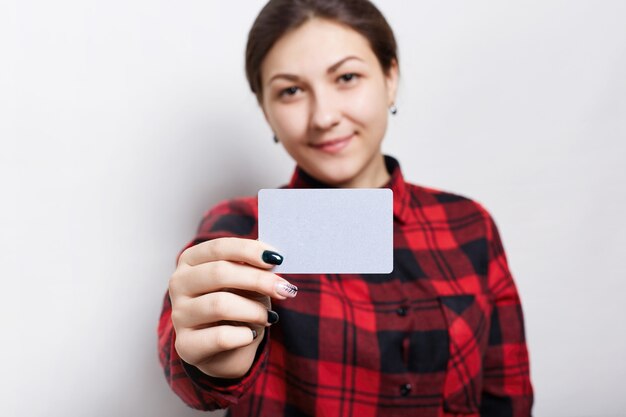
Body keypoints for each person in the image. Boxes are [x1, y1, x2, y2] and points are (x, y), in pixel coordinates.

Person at [157, 0, 534, 415]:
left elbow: (507, 399)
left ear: (390, 78)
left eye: (347, 77)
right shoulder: (239, 230)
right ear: (266, 112)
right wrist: (213, 365)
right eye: (291, 91)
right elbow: (190, 373)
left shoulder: (469, 226)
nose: (324, 116)